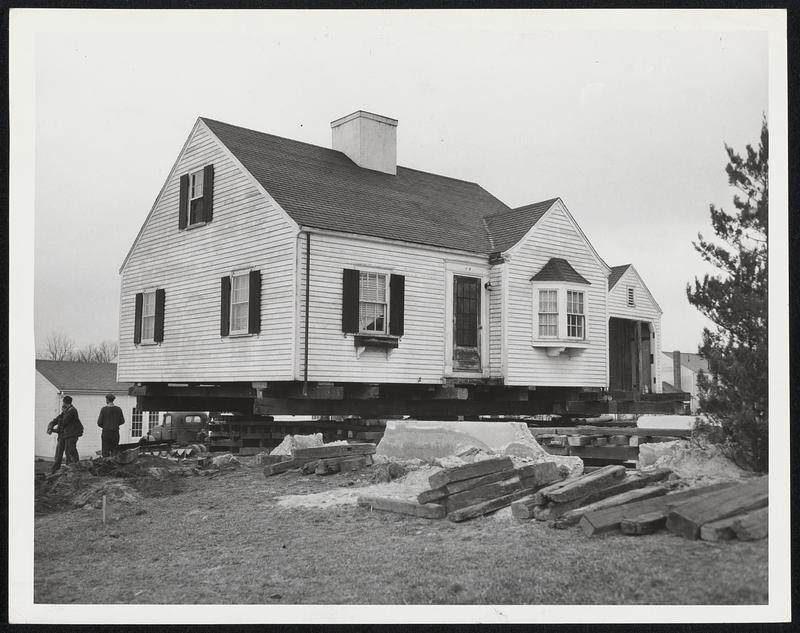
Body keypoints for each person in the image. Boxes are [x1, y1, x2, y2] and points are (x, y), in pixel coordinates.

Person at [46, 395, 84, 473]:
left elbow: (64, 422)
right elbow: (55, 420)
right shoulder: (66, 411)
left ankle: (73, 469)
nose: (63, 405)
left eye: (63, 403)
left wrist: (53, 429)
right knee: (59, 452)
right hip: (64, 434)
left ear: (66, 403)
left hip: (71, 434)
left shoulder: (72, 411)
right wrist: (50, 426)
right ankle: (54, 470)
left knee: (70, 451)